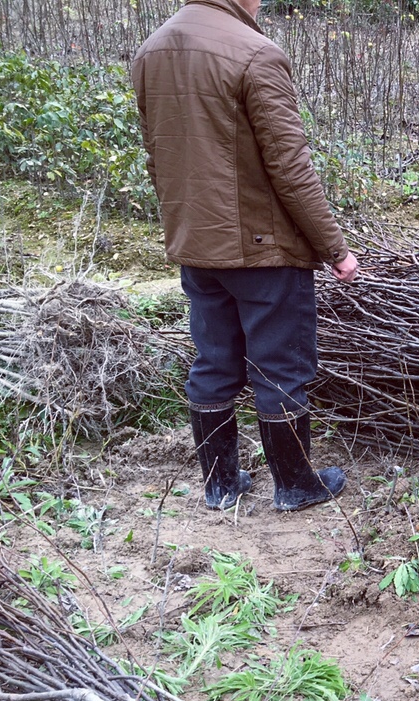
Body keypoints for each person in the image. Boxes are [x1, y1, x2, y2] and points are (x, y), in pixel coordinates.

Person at [132, 0, 358, 513]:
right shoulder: (257, 54)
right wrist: (334, 249)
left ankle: (220, 484)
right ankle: (296, 484)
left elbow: (158, 153)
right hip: (263, 250)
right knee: (280, 368)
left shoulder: (151, 50)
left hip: (197, 243)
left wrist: (188, 226)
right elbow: (291, 167)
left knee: (213, 362)